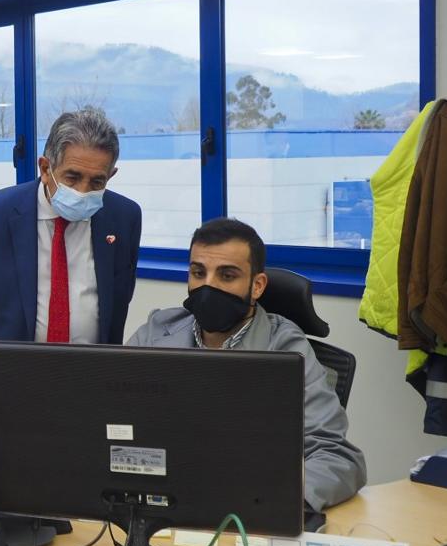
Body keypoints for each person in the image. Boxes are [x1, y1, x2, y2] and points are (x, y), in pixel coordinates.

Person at [126, 217, 367, 511]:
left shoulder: (287, 350)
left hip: (245, 509)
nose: (207, 286)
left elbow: (336, 457)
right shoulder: (156, 331)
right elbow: (104, 421)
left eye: (227, 276)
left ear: (257, 286)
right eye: (198, 272)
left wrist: (273, 499)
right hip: (160, 500)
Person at [0, 110, 142, 384]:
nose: (83, 191)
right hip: (4, 380)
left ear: (111, 175)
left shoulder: (124, 217)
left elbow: (118, 298)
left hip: (89, 383)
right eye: (72, 177)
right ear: (45, 168)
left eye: (97, 181)